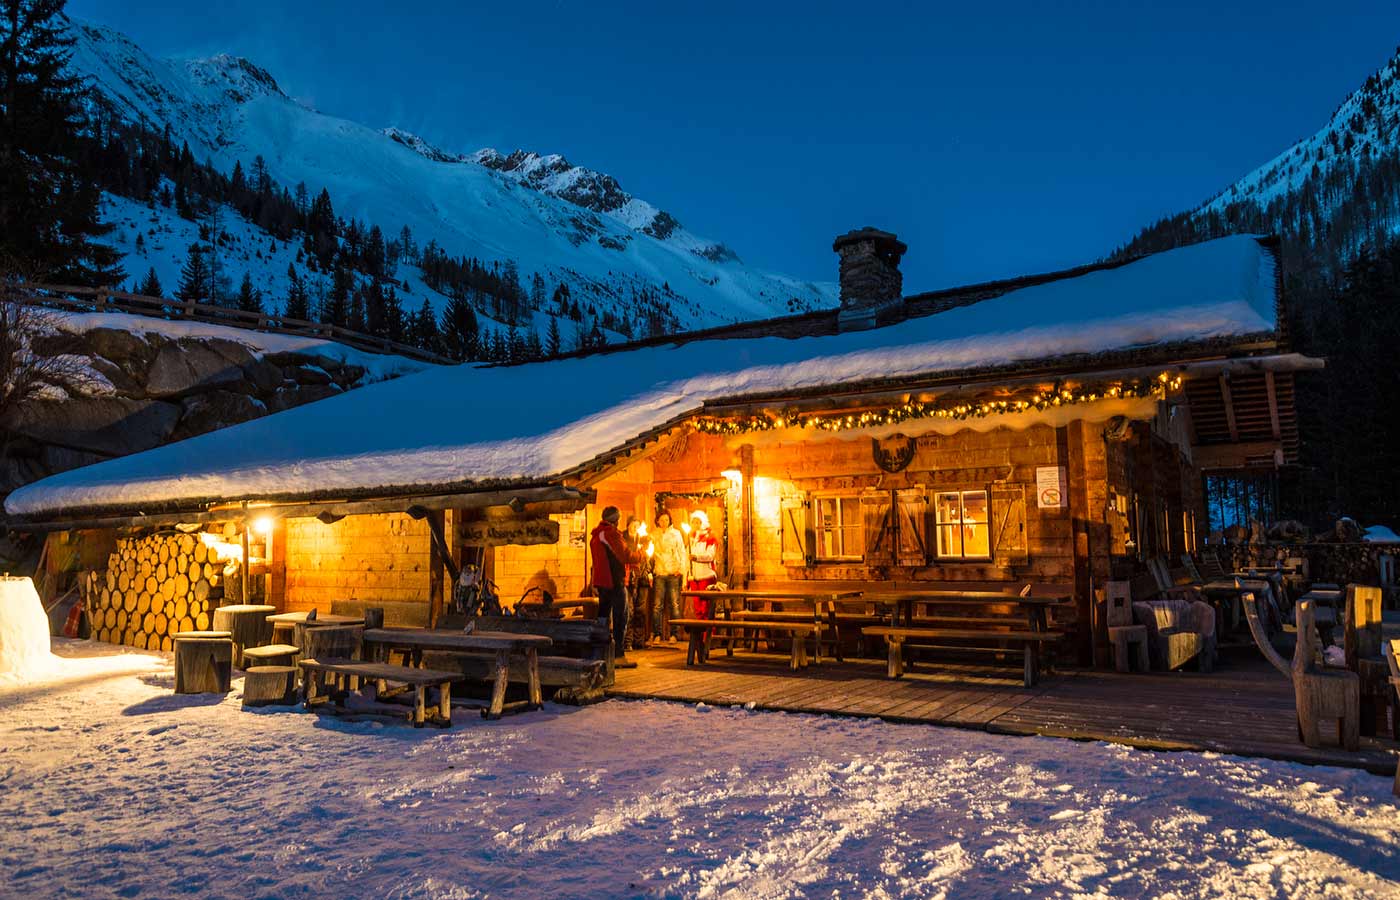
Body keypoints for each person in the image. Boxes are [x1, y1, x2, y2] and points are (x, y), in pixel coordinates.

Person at [589, 506, 634, 667]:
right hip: (614, 581)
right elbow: (625, 555)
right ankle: (618, 654)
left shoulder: (596, 535)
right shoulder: (611, 534)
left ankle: (600, 652)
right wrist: (642, 553)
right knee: (621, 616)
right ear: (616, 519)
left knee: (603, 616)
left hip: (602, 581)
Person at [651, 511, 686, 642]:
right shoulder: (654, 535)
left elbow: (682, 552)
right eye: (661, 520)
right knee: (657, 605)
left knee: (674, 604)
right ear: (658, 521)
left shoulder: (676, 534)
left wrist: (681, 569)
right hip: (660, 572)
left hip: (673, 572)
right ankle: (657, 634)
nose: (664, 522)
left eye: (666, 519)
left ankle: (674, 634)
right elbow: (651, 553)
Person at [624, 516, 652, 651]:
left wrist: (648, 571)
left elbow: (648, 557)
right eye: (633, 525)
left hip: (642, 578)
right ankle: (627, 641)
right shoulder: (623, 539)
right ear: (628, 525)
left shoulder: (643, 539)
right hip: (628, 578)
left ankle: (639, 640)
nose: (635, 528)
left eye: (637, 526)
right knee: (629, 610)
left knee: (640, 610)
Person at [687, 510, 719, 622]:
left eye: (698, 522)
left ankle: (709, 637)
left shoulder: (710, 538)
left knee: (706, 609)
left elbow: (710, 556)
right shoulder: (691, 538)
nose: (695, 525)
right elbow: (687, 558)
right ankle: (700, 638)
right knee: (698, 610)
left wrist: (696, 557)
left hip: (706, 576)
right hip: (694, 578)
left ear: (703, 523)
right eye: (693, 522)